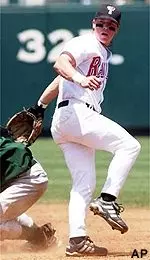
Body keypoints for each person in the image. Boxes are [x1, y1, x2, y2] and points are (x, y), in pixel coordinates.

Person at [31, 3, 141, 257]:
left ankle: (77, 240)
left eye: (111, 25)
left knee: (82, 185)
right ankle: (107, 200)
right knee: (129, 146)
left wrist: (40, 105)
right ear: (93, 24)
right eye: (101, 23)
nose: (105, 28)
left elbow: (60, 79)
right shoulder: (86, 43)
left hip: (66, 120)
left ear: (117, 29)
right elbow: (60, 63)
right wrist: (80, 79)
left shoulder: (100, 53)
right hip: (78, 114)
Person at [0, 126, 56, 249]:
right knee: (4, 212)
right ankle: (43, 234)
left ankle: (39, 238)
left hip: (28, 178)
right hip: (15, 175)